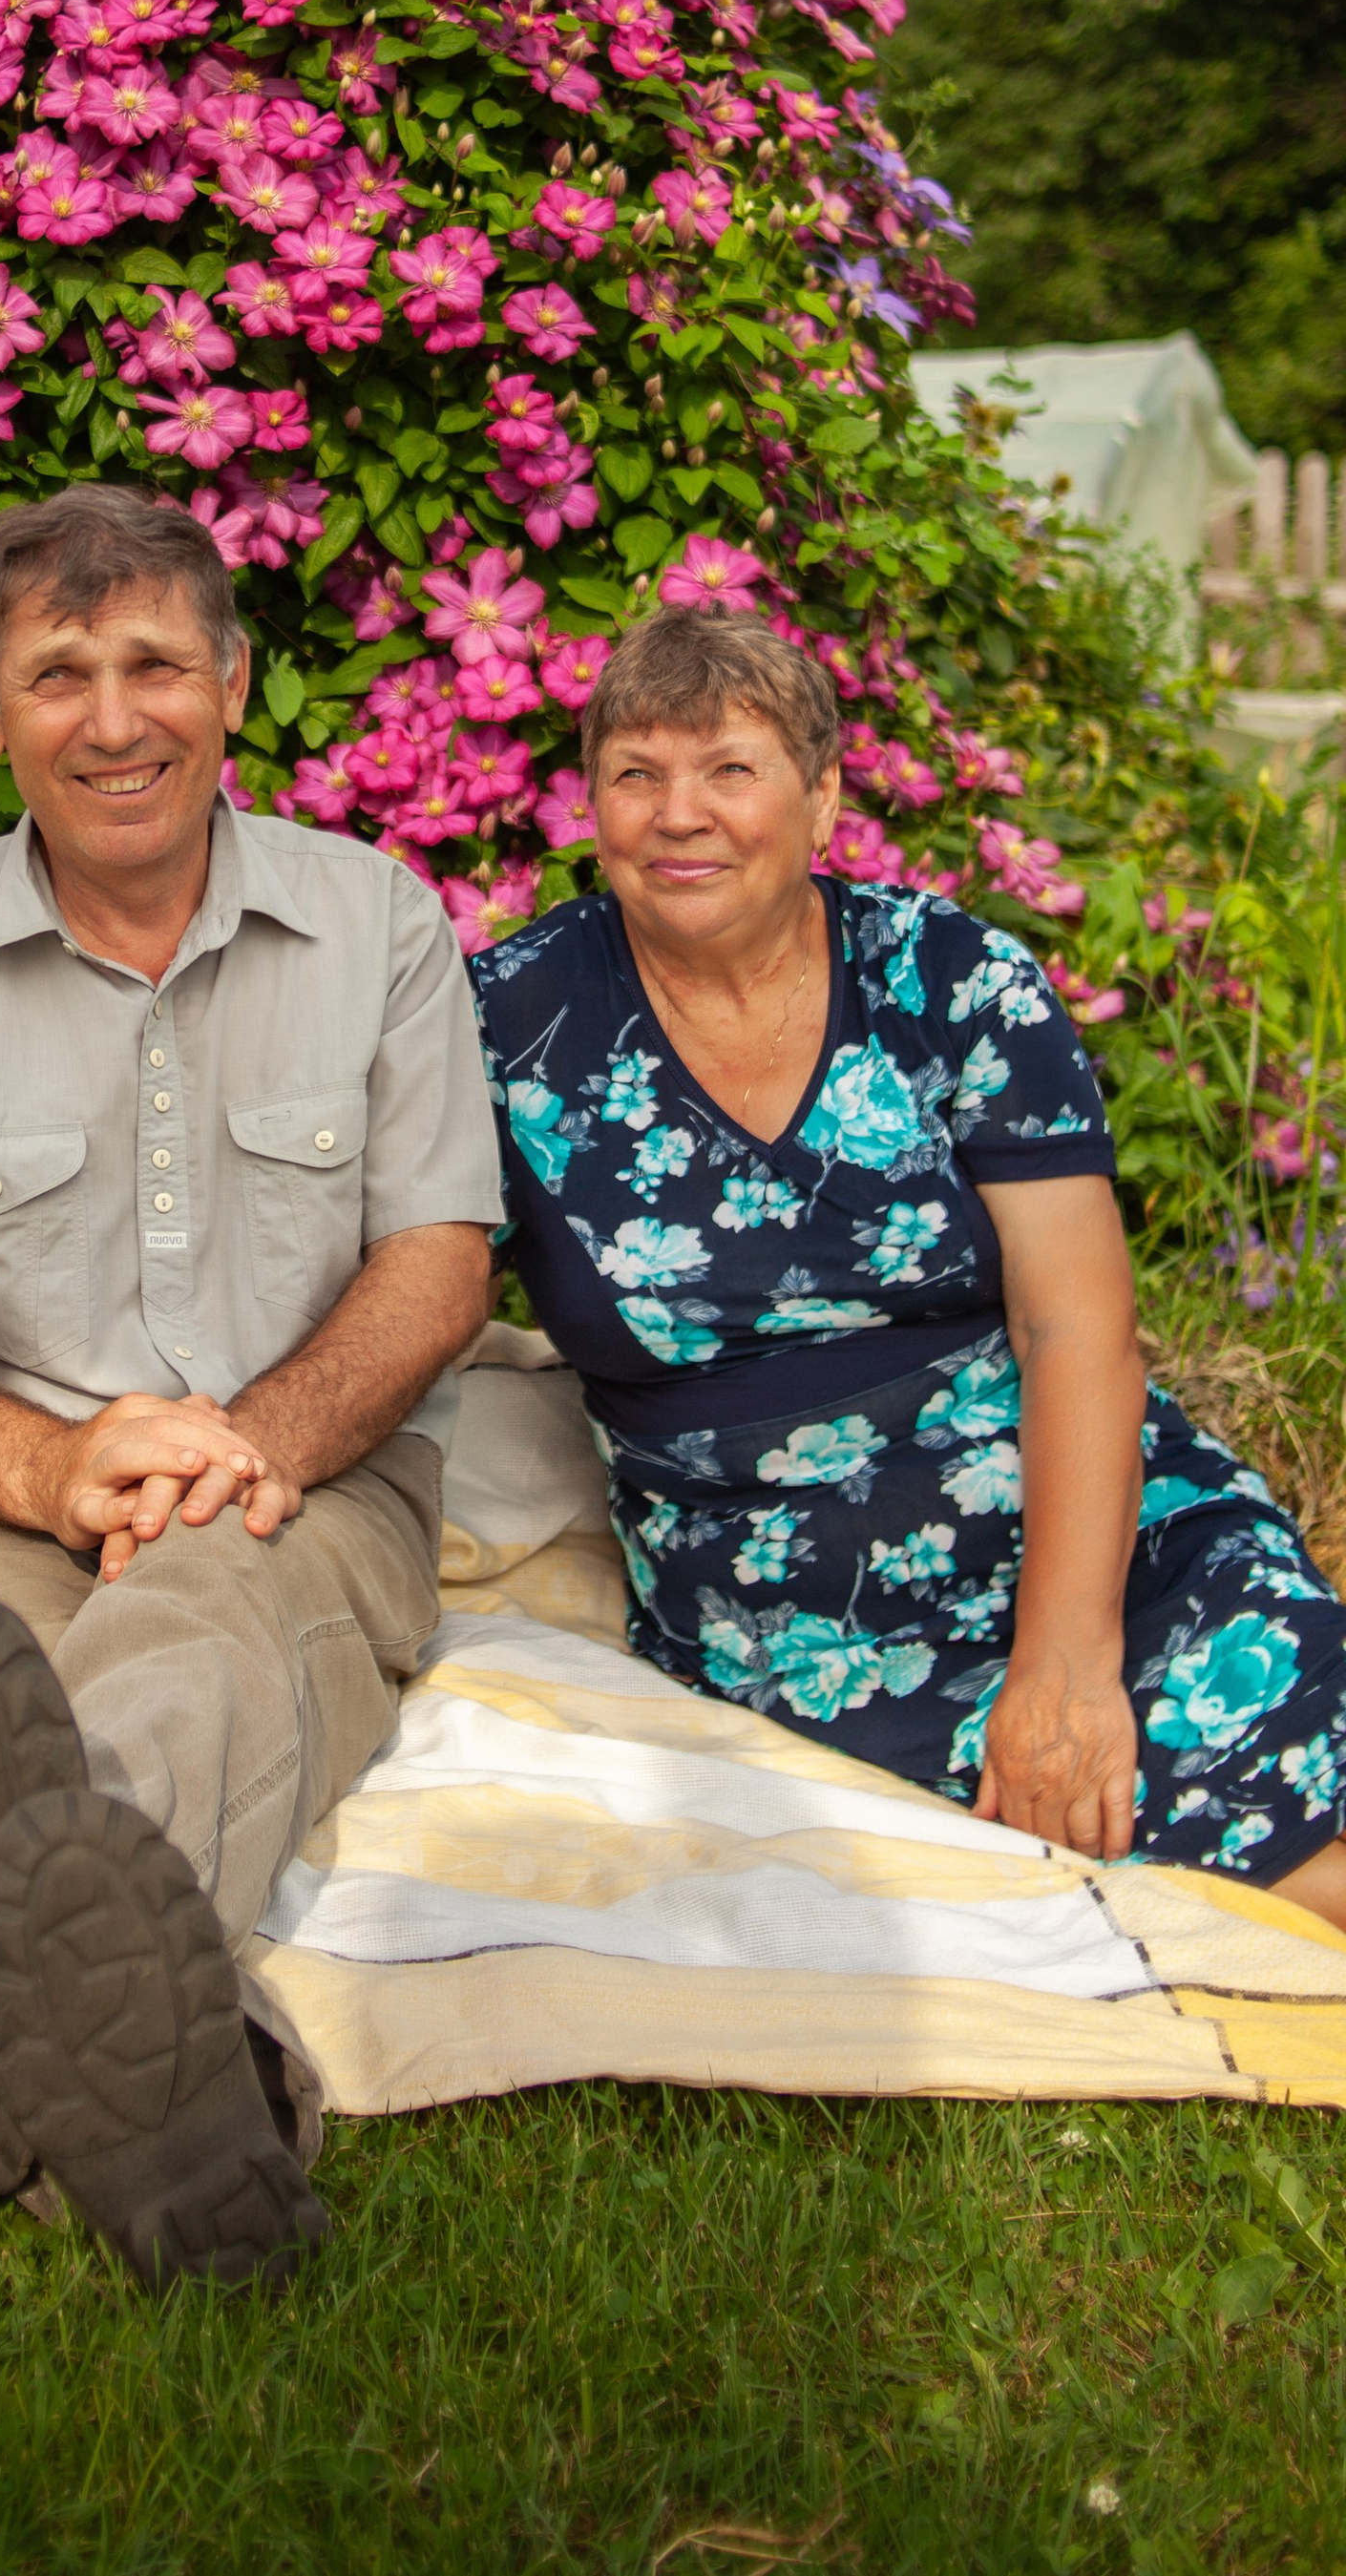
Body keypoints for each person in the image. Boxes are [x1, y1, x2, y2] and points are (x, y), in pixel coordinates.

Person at [0, 483, 499, 2295]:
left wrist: (246, 1444)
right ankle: (190, 2071)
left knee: (201, 1630)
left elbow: (437, 1264)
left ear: (235, 686)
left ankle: (2, 1992)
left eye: (157, 662)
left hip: (306, 1474)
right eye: (61, 673)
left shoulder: (376, 923)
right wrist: (50, 1467)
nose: (114, 718)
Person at [472, 600, 1346, 1920]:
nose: (679, 812)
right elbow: (399, 1265)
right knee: (1154, 1855)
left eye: (730, 768)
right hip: (798, 1615)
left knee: (1293, 1699)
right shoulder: (509, 1021)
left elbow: (1079, 1332)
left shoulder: (954, 980)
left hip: (1091, 1522)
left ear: (823, 800)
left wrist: (1066, 1661)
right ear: (590, 805)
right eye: (635, 773)